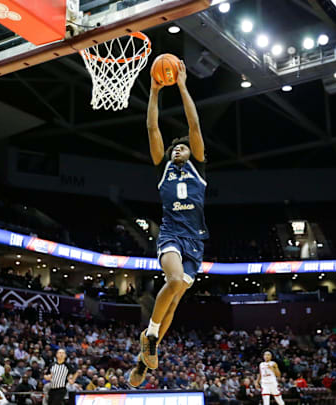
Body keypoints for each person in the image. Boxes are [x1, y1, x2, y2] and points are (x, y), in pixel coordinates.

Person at [130, 59, 208, 387]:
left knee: (175, 298)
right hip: (172, 233)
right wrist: (154, 91)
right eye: (174, 147)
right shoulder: (162, 165)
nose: (177, 149)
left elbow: (194, 125)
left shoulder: (199, 165)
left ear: (191, 152)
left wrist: (183, 86)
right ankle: (150, 335)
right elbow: (152, 128)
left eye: (182, 147)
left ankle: (144, 361)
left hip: (196, 240)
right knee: (173, 280)